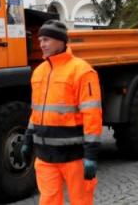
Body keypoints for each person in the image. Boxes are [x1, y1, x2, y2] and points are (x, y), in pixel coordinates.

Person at [20, 20, 102, 204]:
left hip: (74, 157)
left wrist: (90, 155)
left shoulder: (81, 71)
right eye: (40, 40)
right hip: (44, 156)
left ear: (61, 41)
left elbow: (92, 115)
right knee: (48, 201)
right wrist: (27, 140)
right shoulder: (38, 72)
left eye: (46, 39)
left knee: (80, 201)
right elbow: (36, 111)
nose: (41, 44)